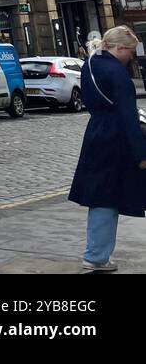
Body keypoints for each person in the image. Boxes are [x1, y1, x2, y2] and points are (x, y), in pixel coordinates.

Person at [69, 25, 146, 272]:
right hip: (117, 138)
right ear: (120, 48)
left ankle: (97, 254)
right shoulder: (117, 73)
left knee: (101, 196)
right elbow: (127, 116)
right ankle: (95, 256)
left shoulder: (90, 64)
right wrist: (141, 154)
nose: (132, 57)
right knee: (107, 198)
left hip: (96, 132)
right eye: (131, 52)